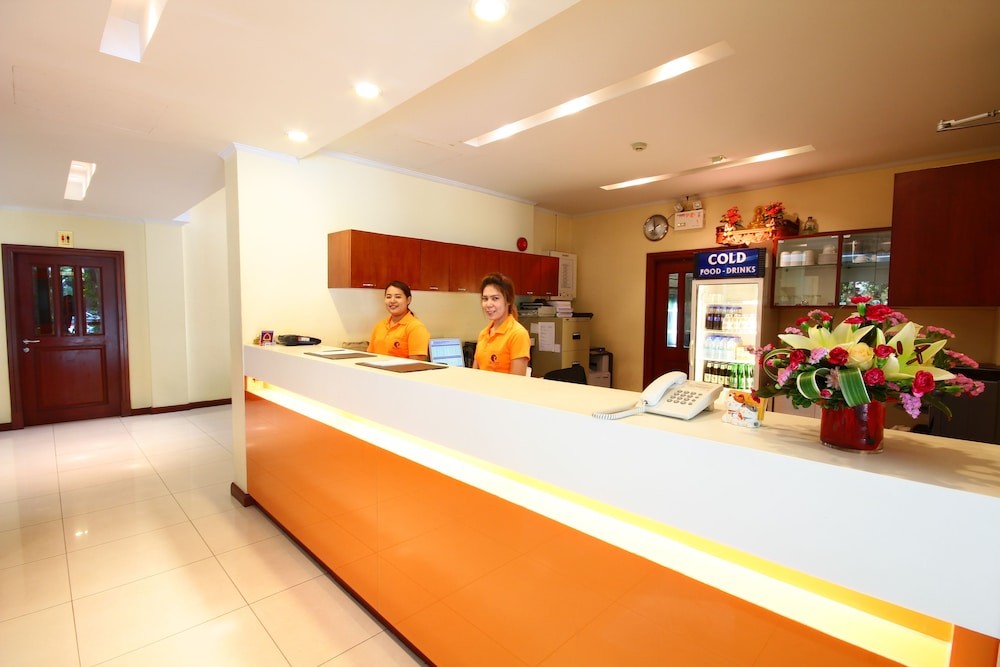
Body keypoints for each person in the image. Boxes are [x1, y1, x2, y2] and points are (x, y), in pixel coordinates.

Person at [473, 272, 530, 375]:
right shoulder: (484, 334)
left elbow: (517, 381)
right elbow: (475, 374)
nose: (488, 304)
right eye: (485, 299)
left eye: (495, 298)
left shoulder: (518, 334)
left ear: (508, 300)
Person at [367, 281, 429, 360]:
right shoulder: (379, 326)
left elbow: (416, 363)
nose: (392, 301)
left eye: (398, 297)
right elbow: (370, 356)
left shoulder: (416, 327)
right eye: (388, 297)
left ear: (408, 300)